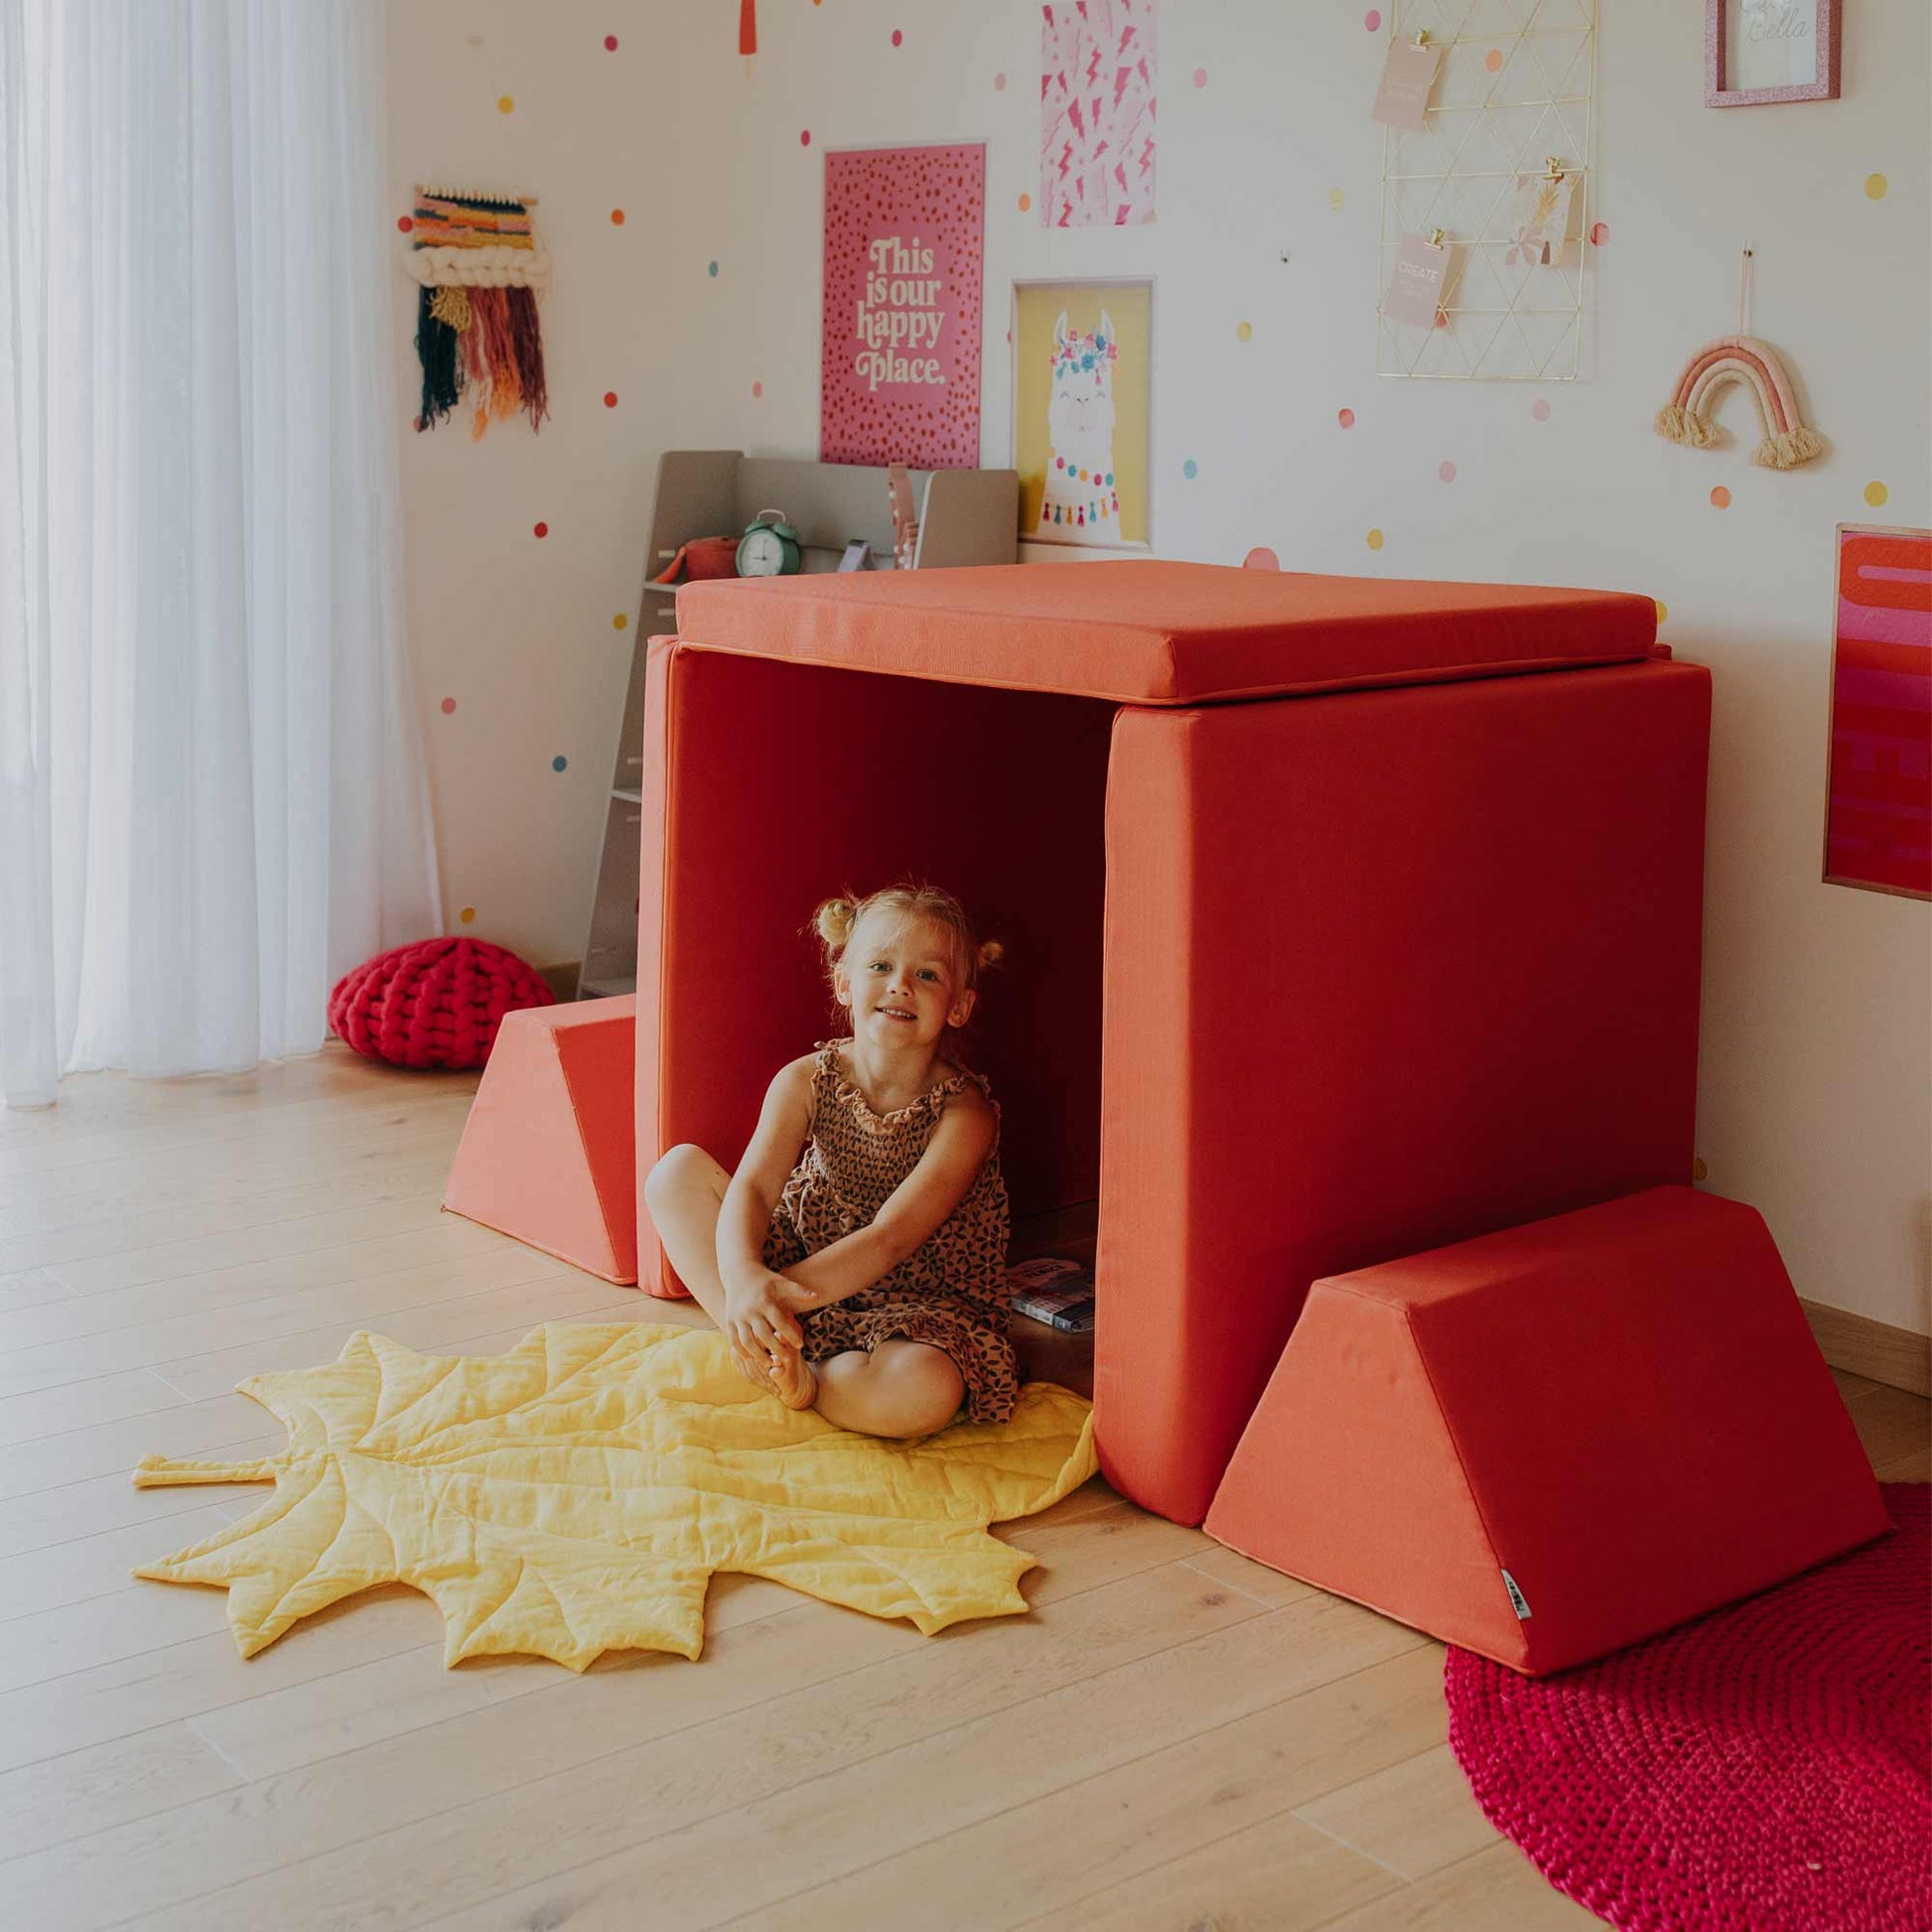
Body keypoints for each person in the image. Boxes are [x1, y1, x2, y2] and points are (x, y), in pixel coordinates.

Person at [642, 885, 1017, 1440]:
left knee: (925, 1389)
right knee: (675, 1174)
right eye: (881, 965)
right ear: (844, 983)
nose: (900, 985)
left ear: (959, 1005)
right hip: (802, 1258)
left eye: (929, 975)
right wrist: (746, 1276)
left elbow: (889, 1238)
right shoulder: (804, 1079)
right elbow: (753, 1189)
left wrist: (775, 1292)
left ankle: (806, 1379)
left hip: (912, 1304)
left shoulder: (965, 1115)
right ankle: (755, 1335)